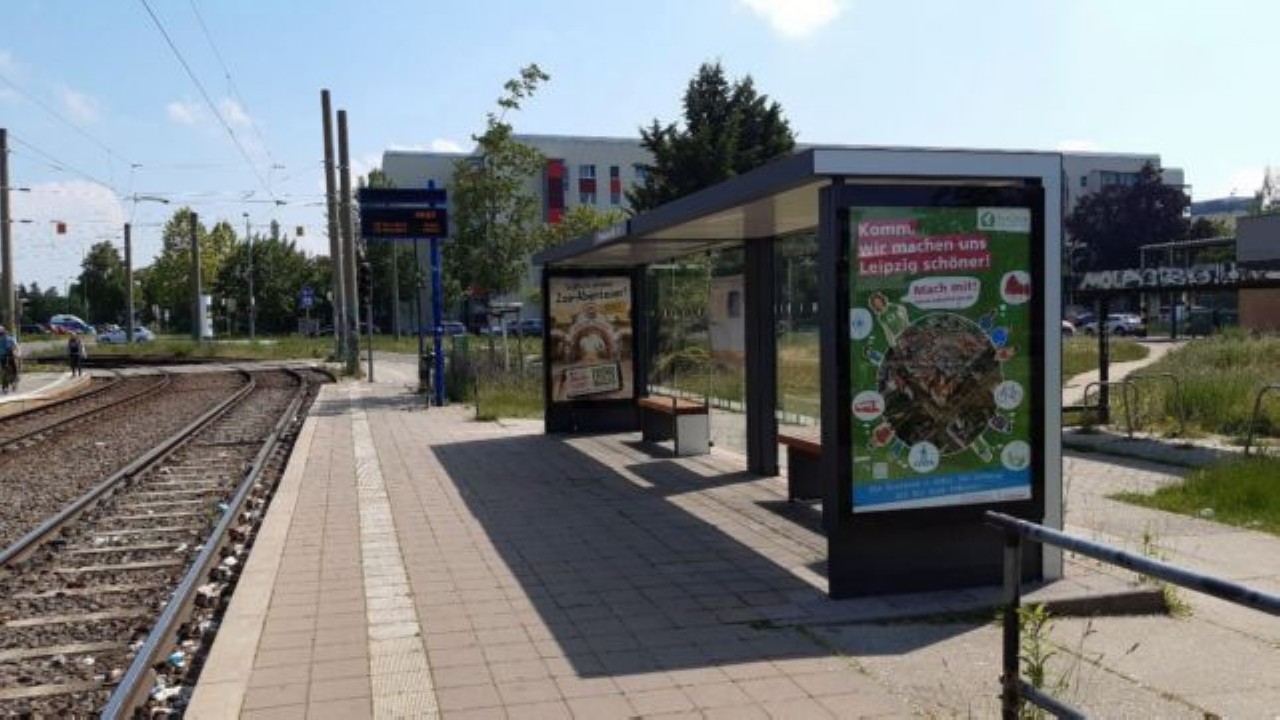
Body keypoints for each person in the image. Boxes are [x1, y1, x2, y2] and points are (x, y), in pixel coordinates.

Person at [0, 326, 19, 393]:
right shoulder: (8, 338)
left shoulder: (10, 338)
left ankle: (12, 382)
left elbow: (15, 346)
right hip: (4, 356)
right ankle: (7, 385)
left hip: (7, 356)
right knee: (7, 371)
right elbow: (15, 346)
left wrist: (17, 352)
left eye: (1, 333)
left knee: (11, 369)